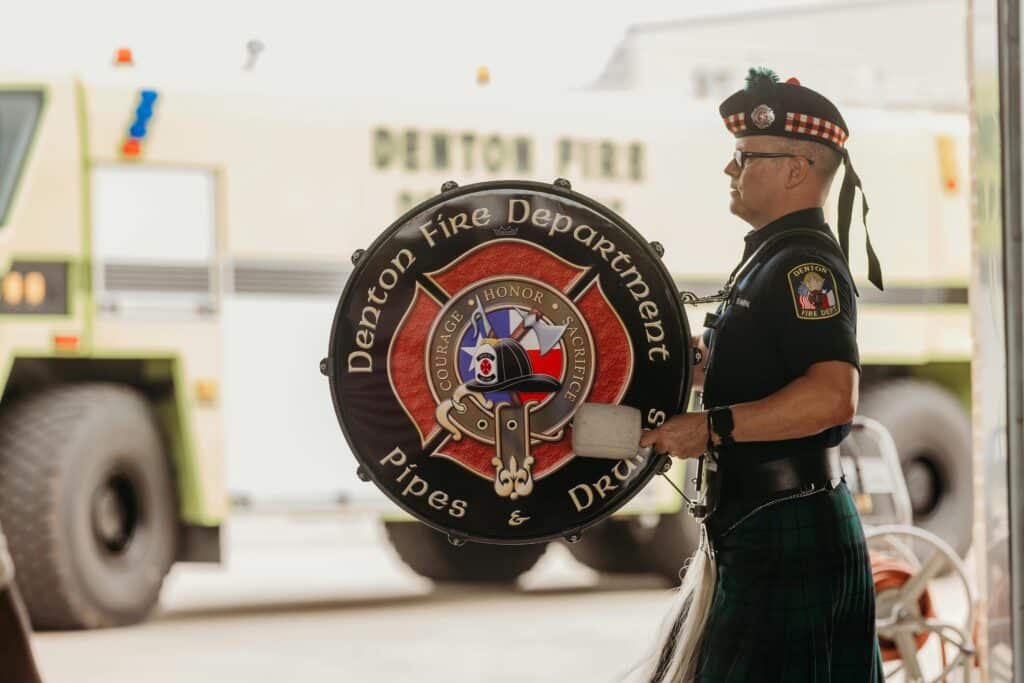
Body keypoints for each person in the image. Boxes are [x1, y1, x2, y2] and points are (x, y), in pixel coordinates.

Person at [630, 68, 885, 682]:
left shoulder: (804, 267)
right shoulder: (770, 257)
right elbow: (767, 369)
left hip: (787, 524)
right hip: (757, 522)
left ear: (797, 169)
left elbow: (831, 397)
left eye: (744, 156)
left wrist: (710, 427)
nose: (730, 169)